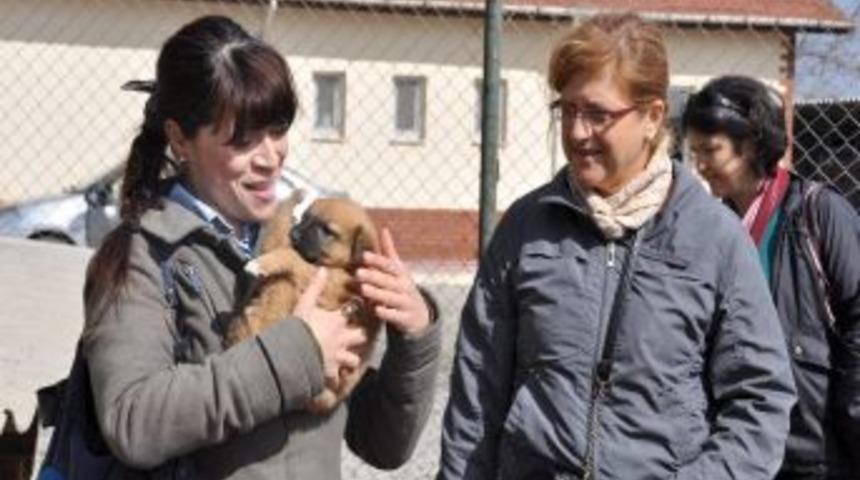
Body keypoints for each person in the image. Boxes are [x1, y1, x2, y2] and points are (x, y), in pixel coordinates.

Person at [69, 15, 440, 479]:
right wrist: (295, 354)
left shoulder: (309, 244)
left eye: (278, 129)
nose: (269, 158)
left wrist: (414, 337)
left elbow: (385, 445)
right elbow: (133, 422)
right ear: (181, 139)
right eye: (242, 140)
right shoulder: (145, 257)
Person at [437, 13, 796, 480]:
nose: (578, 132)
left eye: (598, 114)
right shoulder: (526, 229)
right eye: (567, 110)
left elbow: (760, 400)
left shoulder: (715, 240)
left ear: (652, 117)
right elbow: (477, 391)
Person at [683, 75, 860, 480]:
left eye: (711, 150)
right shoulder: (710, 227)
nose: (701, 166)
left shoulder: (819, 213)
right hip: (737, 444)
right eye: (695, 153)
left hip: (815, 449)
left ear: (751, 145)